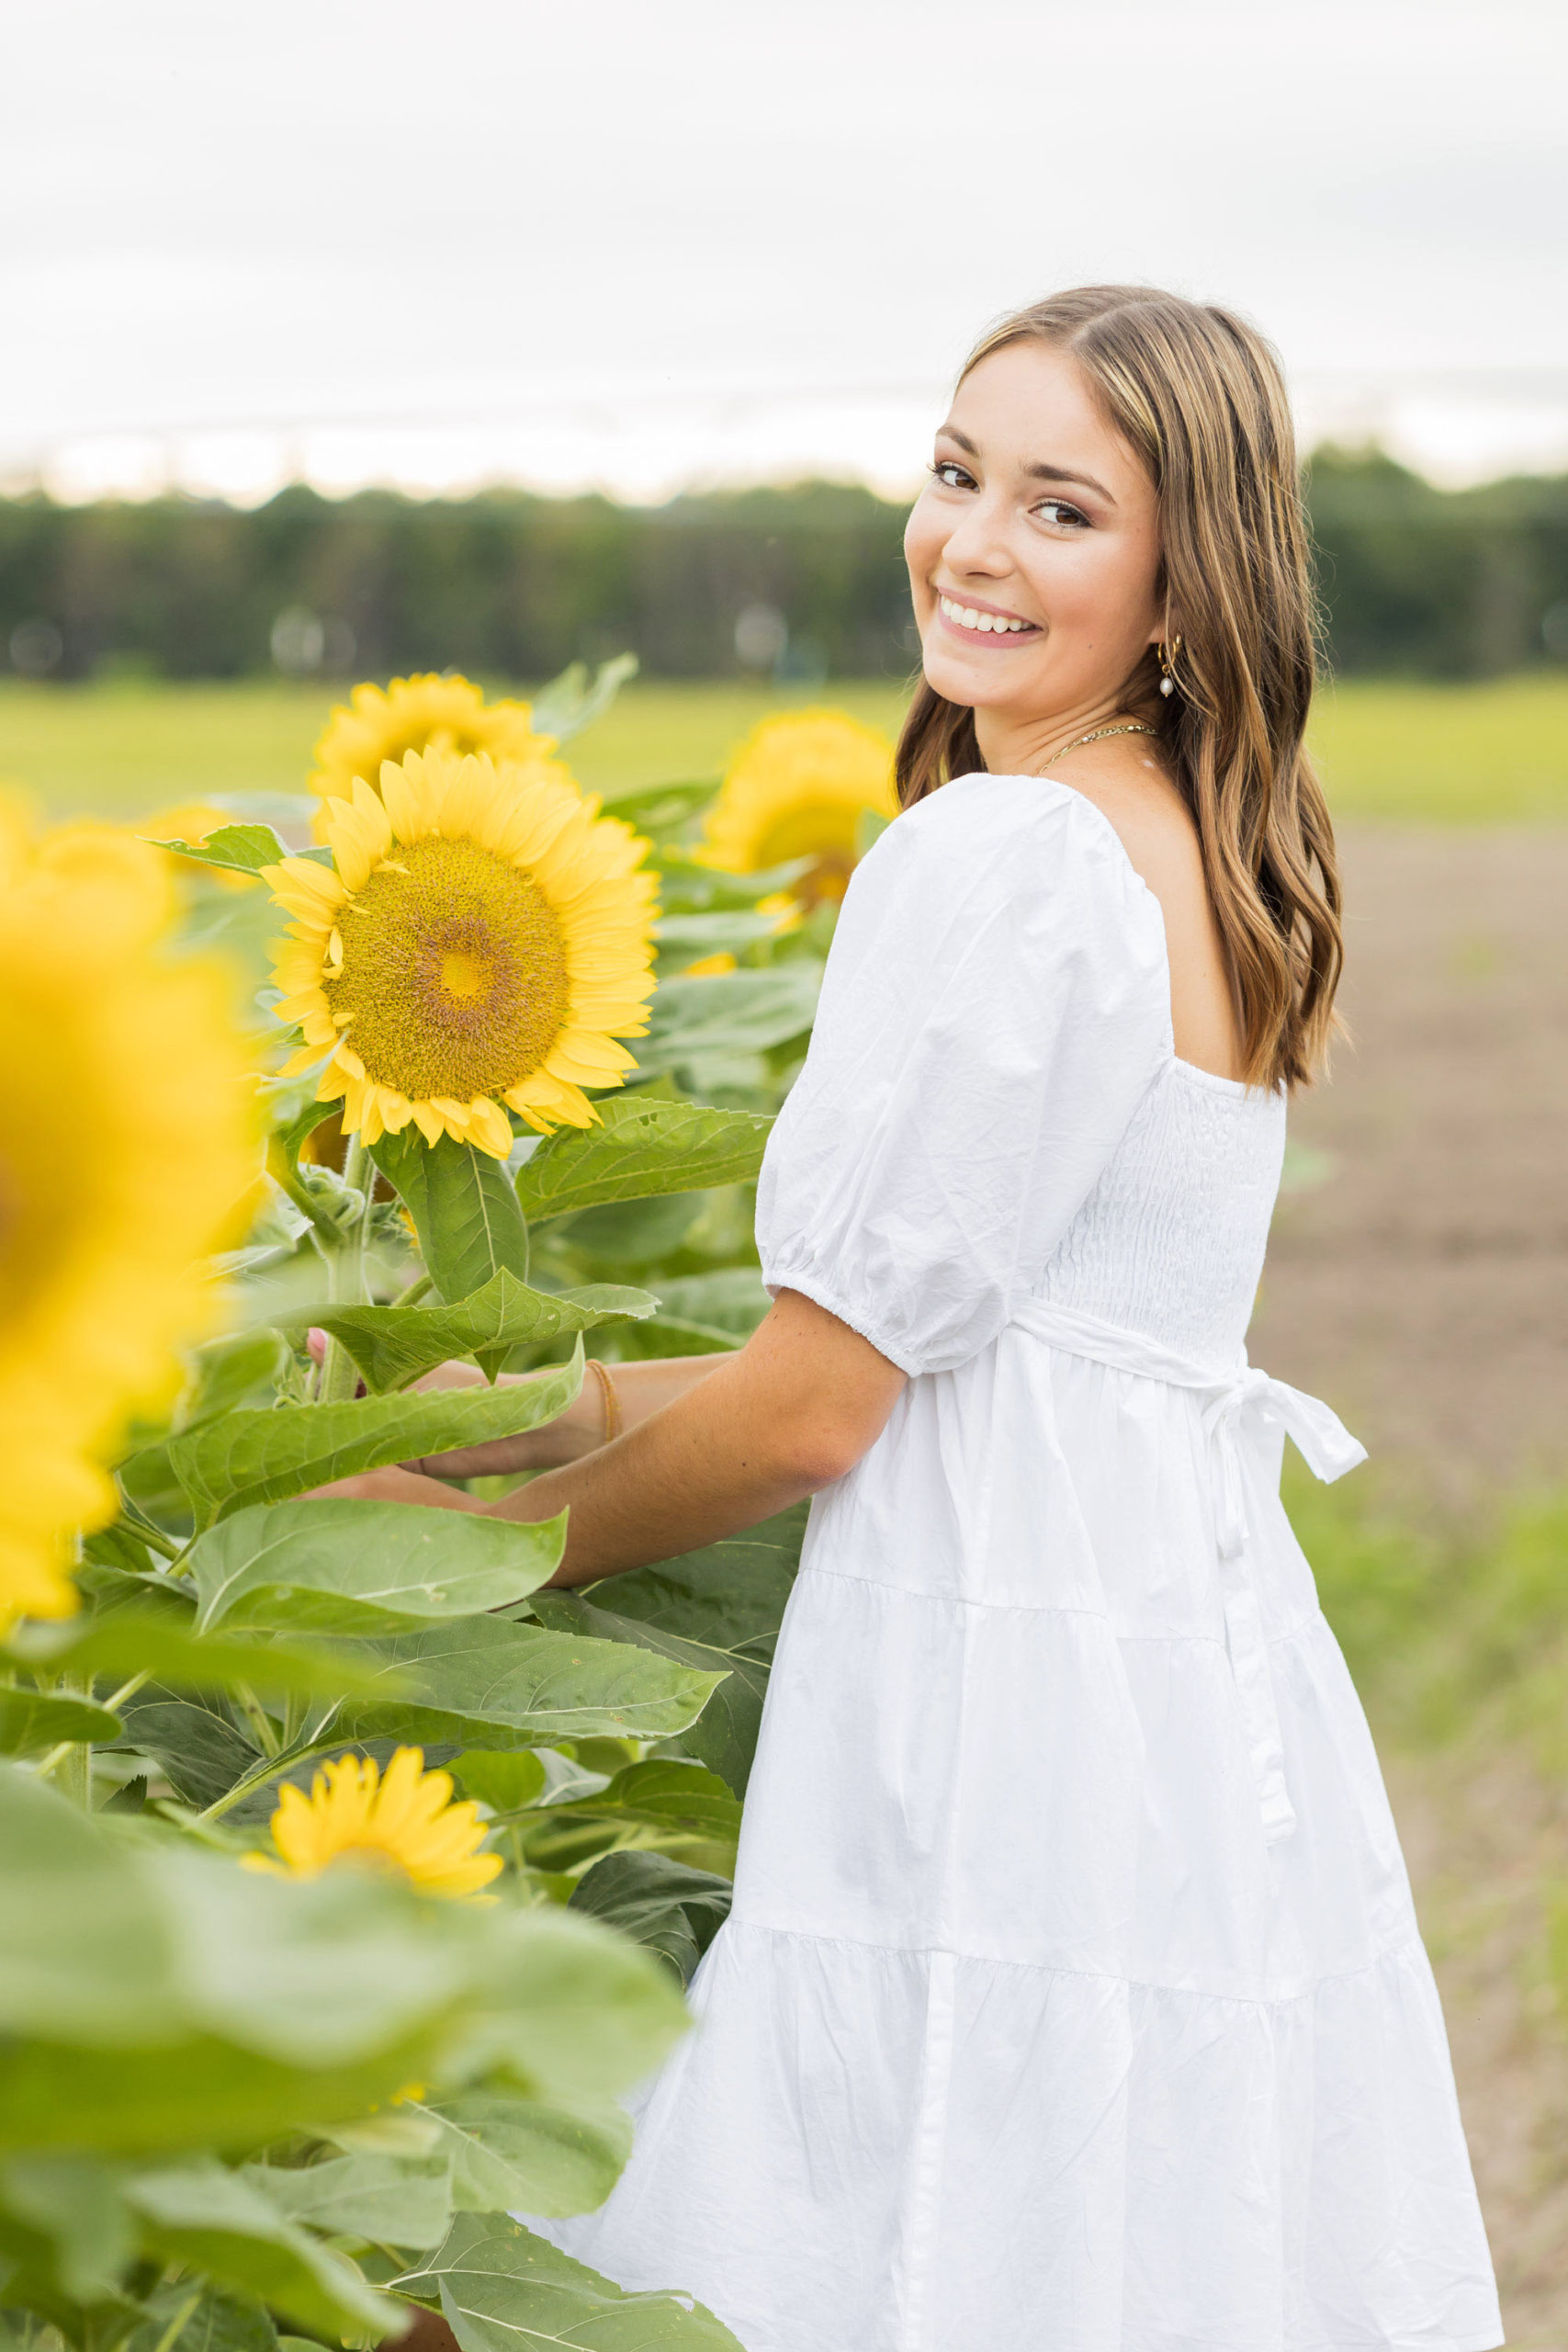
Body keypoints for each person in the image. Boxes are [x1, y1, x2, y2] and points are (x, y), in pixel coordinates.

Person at [325, 288, 1503, 2352]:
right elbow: (993, 1344)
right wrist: (550, 1397)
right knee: (1073, 2235)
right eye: (955, 474)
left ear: (1177, 581)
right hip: (1161, 1671)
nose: (967, 543)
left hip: (985, 1697)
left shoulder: (1004, 856)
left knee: (751, 2239)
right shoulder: (1210, 857)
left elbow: (816, 1413)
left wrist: (442, 1561)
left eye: (1059, 507)